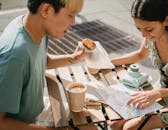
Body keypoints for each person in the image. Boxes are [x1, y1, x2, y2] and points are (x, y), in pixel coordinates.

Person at [0, 0, 98, 130]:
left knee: (90, 115)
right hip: (24, 123)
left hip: (36, 109)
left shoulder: (32, 27)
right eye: (70, 15)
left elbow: (41, 61)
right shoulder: (15, 56)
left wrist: (72, 58)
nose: (74, 22)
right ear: (46, 10)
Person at [110, 0, 168, 129]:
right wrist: (107, 63)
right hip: (159, 92)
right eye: (139, 29)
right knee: (114, 123)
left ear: (166, 21)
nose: (144, 35)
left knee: (129, 128)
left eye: (148, 29)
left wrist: (156, 93)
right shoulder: (152, 35)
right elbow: (140, 55)